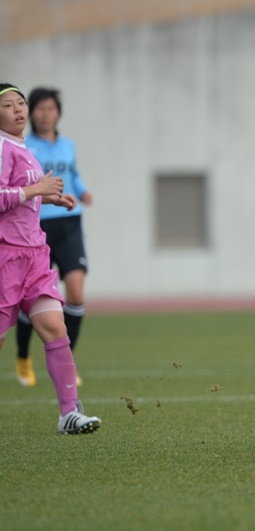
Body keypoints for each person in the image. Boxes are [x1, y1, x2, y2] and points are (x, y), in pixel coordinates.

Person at [0, 83, 101, 434]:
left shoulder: (22, 147)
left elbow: (21, 194)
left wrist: (49, 197)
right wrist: (36, 190)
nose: (18, 109)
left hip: (34, 255)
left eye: (20, 103)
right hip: (6, 258)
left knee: (55, 328)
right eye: (8, 105)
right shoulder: (2, 147)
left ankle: (69, 413)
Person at [14, 87, 91, 388]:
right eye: (40, 109)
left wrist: (82, 190)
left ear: (58, 113)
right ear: (32, 113)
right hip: (38, 225)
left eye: (51, 109)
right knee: (31, 299)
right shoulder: (24, 147)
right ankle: (23, 356)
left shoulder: (68, 145)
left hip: (70, 223)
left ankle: (67, 363)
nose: (46, 114)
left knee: (76, 293)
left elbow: (74, 174)